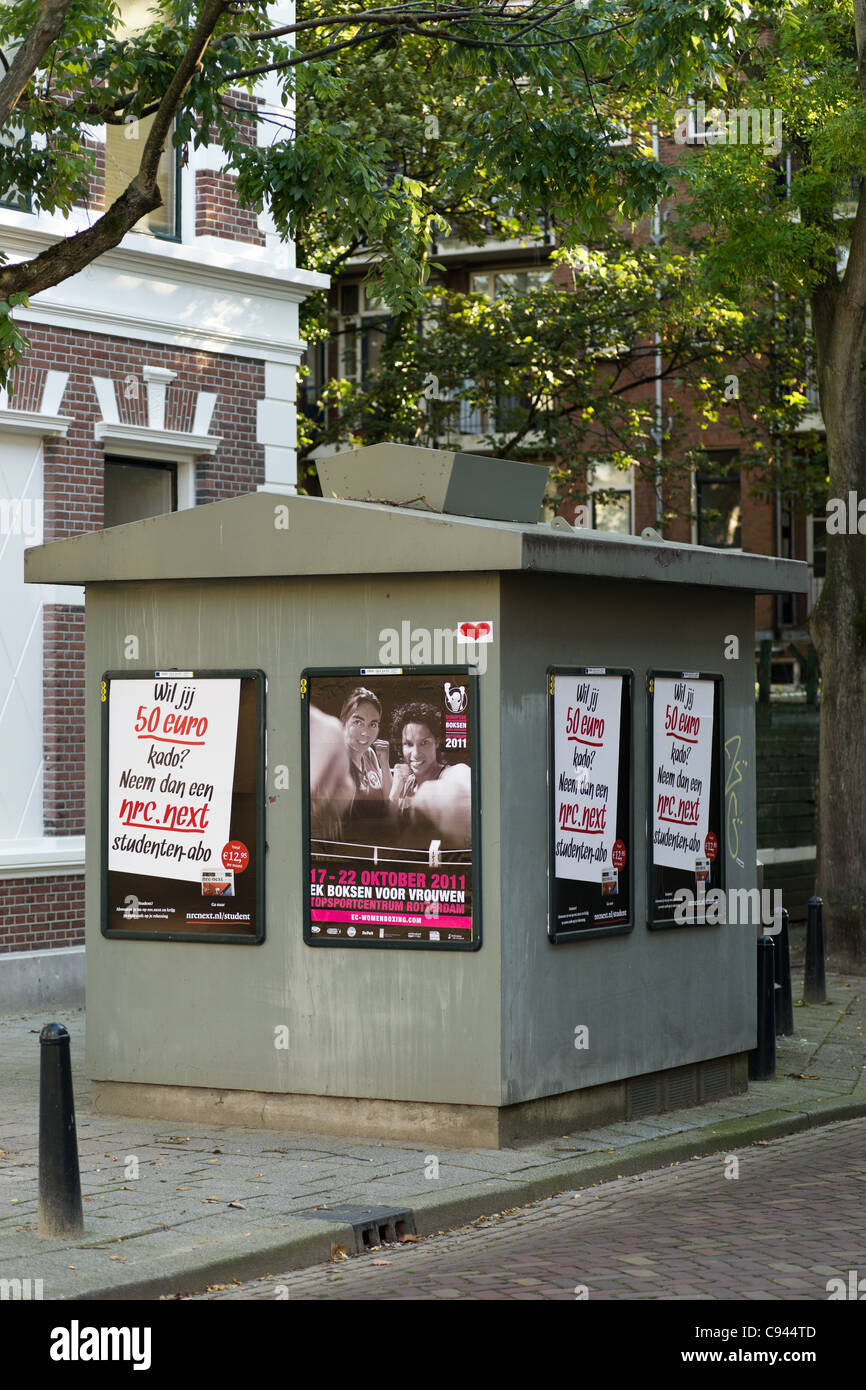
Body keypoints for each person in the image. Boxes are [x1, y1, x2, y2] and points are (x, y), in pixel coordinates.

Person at [389, 701, 471, 848]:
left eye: (424, 742)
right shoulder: (406, 783)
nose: (415, 754)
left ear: (437, 741)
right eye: (408, 744)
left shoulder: (450, 774)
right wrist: (394, 795)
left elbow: (464, 779)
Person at [340, 688, 392, 824]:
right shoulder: (337, 760)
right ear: (344, 720)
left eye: (372, 724)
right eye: (358, 722)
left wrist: (385, 764)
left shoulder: (369, 754)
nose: (365, 733)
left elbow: (388, 801)